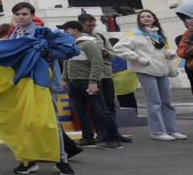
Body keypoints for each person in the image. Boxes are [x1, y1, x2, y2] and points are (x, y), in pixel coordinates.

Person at [8, 2, 77, 175]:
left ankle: (61, 160)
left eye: (24, 14)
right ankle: (28, 161)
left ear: (31, 15)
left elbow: (64, 51)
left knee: (51, 122)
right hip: (23, 84)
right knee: (26, 123)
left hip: (43, 84)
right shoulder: (14, 35)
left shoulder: (42, 33)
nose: (21, 17)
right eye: (17, 14)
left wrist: (46, 52)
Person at [113, 9, 186, 141]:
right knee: (154, 102)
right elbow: (118, 48)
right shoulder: (134, 34)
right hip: (146, 70)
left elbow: (166, 47)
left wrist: (170, 52)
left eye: (149, 16)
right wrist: (139, 59)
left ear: (154, 19)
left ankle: (171, 130)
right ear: (139, 20)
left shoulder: (159, 34)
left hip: (162, 70)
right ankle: (157, 131)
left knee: (167, 102)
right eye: (143, 17)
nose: (146, 18)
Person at [58, 21, 123, 150]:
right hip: (73, 83)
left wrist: (93, 81)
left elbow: (97, 62)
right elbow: (66, 62)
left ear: (75, 30)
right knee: (79, 111)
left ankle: (113, 138)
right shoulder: (70, 45)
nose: (64, 32)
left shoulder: (88, 44)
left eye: (67, 30)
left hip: (87, 83)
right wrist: (65, 79)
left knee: (101, 110)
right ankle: (87, 137)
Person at [77, 13, 131, 144]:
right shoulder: (77, 38)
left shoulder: (100, 35)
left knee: (110, 104)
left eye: (93, 25)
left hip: (105, 74)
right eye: (89, 25)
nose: (91, 27)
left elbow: (113, 53)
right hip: (89, 76)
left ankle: (114, 132)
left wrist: (106, 53)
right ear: (81, 24)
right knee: (95, 107)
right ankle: (101, 132)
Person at [174, 0, 193, 96]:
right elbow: (180, 52)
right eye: (186, 18)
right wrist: (188, 51)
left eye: (190, 17)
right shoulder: (187, 33)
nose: (188, 20)